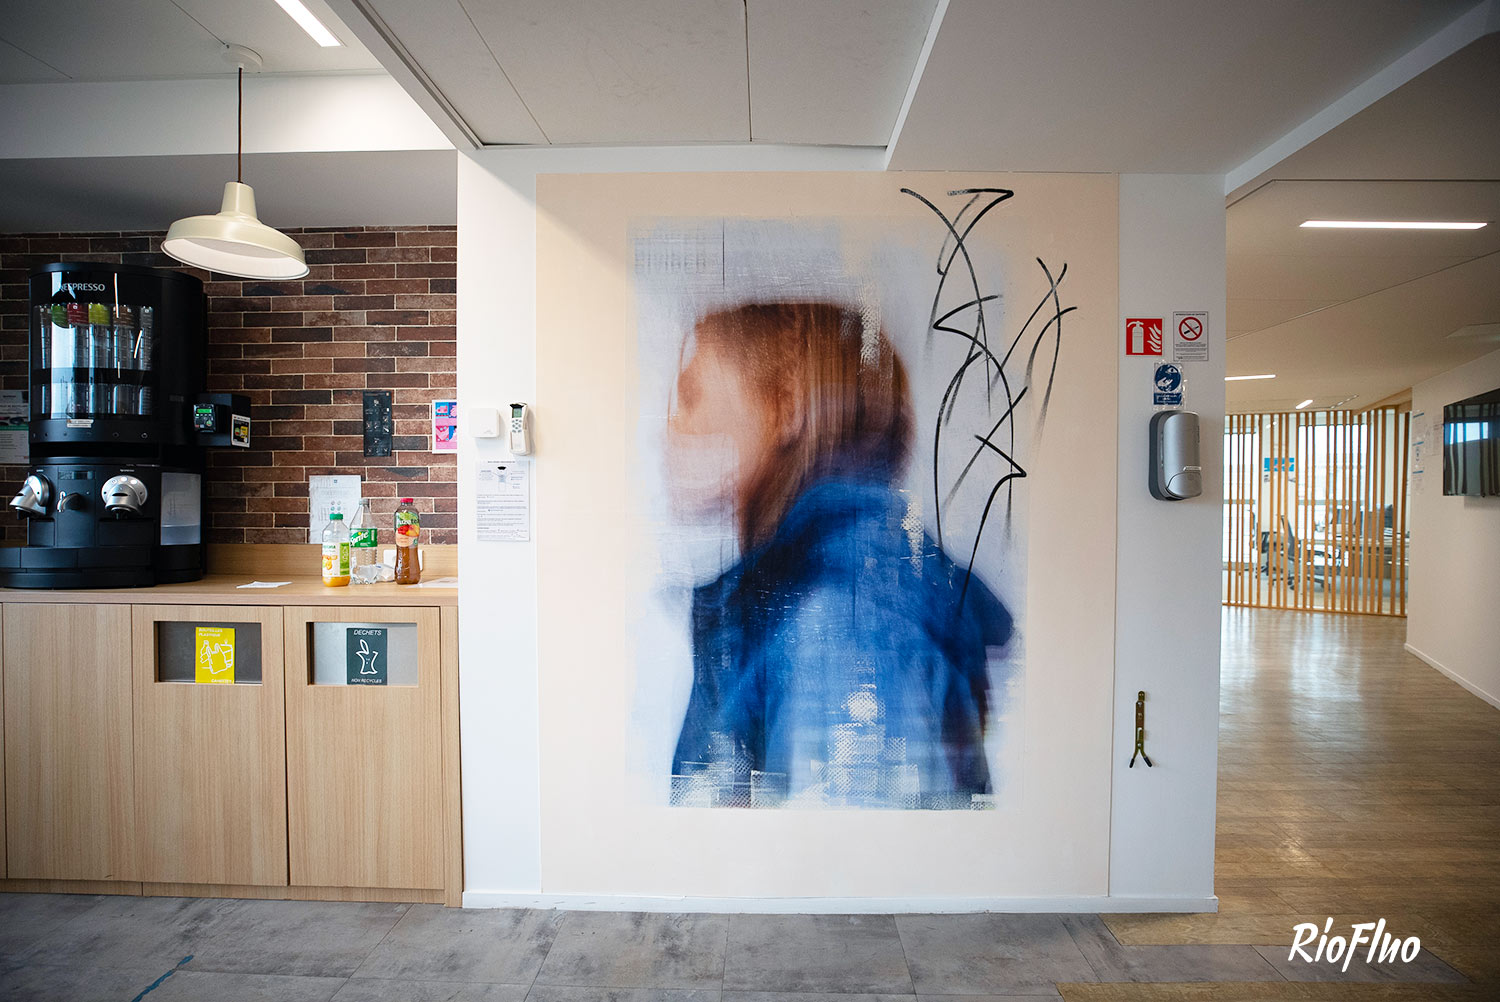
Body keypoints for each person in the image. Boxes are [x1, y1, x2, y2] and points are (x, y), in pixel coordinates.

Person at [664, 300, 1013, 809]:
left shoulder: (844, 620)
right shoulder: (821, 604)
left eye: (689, 396)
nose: (671, 425)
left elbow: (851, 850)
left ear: (786, 407)